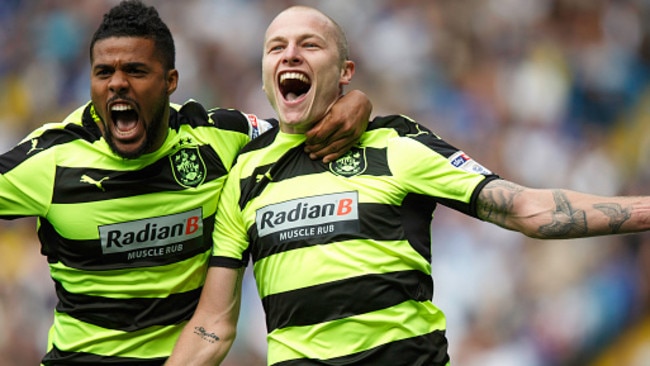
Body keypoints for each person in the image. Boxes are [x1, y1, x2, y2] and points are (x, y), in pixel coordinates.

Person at [165, 5, 650, 366]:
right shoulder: (245, 175)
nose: (290, 53)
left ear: (345, 74)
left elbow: (525, 209)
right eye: (276, 47)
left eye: (310, 44)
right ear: (267, 78)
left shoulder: (398, 143)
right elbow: (214, 323)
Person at [0, 1, 372, 365]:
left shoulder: (222, 139)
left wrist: (353, 102)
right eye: (103, 73)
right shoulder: (50, 159)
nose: (117, 85)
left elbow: (300, 134)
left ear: (170, 82)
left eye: (135, 70)